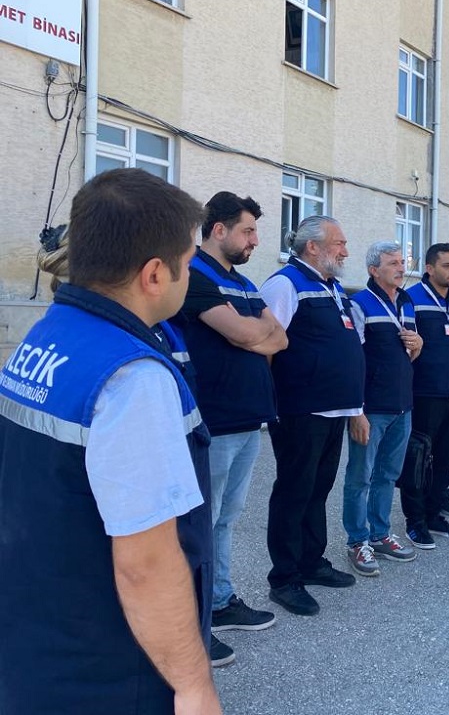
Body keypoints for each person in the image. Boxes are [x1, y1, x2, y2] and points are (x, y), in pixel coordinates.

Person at [0, 168, 221, 714]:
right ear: (155, 275)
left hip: (38, 631)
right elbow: (146, 562)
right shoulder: (132, 377)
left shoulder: (49, 332)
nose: (191, 273)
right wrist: (194, 686)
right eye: (189, 261)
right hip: (108, 663)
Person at [176, 191, 287, 666]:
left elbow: (280, 338)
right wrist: (253, 334)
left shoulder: (242, 282)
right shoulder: (194, 275)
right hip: (215, 419)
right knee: (201, 521)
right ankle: (192, 620)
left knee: (226, 517)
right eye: (248, 231)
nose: (255, 241)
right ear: (218, 230)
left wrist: (252, 335)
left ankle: (220, 601)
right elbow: (248, 333)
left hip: (247, 419)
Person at [259, 216, 363, 616]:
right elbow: (265, 345)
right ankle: (284, 578)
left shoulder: (332, 288)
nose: (346, 251)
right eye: (339, 243)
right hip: (299, 410)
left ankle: (311, 561)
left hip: (332, 409)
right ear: (312, 246)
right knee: (294, 491)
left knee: (318, 490)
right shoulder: (285, 284)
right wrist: (269, 405)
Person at [342, 241, 423, 576]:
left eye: (402, 262)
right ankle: (356, 541)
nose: (401, 268)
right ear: (374, 270)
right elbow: (352, 359)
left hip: (402, 405)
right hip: (371, 408)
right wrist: (356, 411)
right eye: (393, 263)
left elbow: (411, 352)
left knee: (388, 475)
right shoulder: (359, 303)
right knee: (360, 476)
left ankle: (379, 534)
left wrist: (419, 344)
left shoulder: (406, 302)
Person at [403, 243, 449, 549]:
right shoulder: (411, 298)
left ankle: (433, 514)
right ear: (429, 268)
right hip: (423, 392)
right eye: (447, 265)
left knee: (446, 457)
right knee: (418, 460)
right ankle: (415, 522)